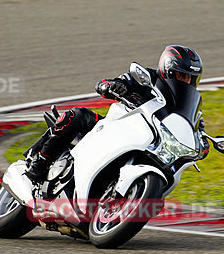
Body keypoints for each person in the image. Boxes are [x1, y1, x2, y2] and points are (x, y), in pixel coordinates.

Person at [24, 45, 205, 183]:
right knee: (77, 116)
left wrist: (202, 141)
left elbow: (195, 127)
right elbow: (111, 82)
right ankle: (41, 161)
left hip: (149, 144)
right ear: (168, 70)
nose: (186, 81)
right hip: (117, 126)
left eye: (190, 78)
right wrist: (111, 86)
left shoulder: (184, 106)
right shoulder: (145, 78)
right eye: (182, 76)